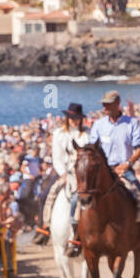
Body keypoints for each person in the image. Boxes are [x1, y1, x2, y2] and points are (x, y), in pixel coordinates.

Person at [88, 91, 140, 260]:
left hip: (124, 169)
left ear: (117, 103)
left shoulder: (131, 123)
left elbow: (139, 149)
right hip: (102, 171)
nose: (104, 107)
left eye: (108, 104)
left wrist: (127, 163)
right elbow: (92, 149)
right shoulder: (98, 125)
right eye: (103, 104)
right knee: (79, 199)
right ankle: (77, 239)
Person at [34, 103, 89, 246]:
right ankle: (43, 227)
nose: (74, 120)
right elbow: (57, 158)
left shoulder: (87, 133)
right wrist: (63, 173)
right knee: (45, 195)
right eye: (71, 117)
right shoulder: (59, 134)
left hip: (83, 174)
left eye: (76, 117)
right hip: (64, 172)